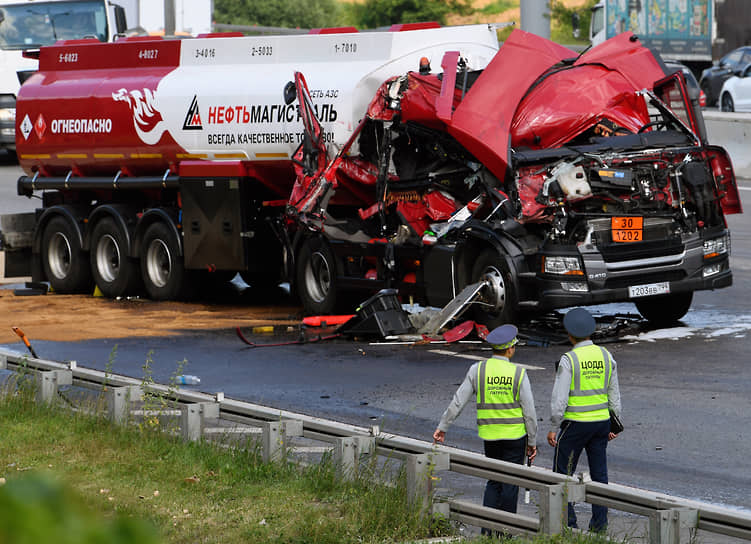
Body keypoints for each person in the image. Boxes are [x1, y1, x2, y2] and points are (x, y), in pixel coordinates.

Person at [433, 324, 537, 536]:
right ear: (510, 349)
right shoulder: (518, 372)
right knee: (511, 483)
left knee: (493, 481)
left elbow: (458, 401)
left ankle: (487, 532)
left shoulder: (477, 370)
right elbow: (530, 412)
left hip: (489, 436)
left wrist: (443, 427)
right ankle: (506, 533)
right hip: (515, 437)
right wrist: (532, 441)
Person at [547, 307, 622, 533]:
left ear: (570, 334)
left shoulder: (569, 359)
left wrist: (553, 426)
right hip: (600, 423)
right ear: (592, 332)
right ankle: (599, 526)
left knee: (562, 473)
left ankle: (567, 523)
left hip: (574, 424)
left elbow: (559, 398)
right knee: (600, 475)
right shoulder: (606, 356)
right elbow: (614, 393)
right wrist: (614, 423)